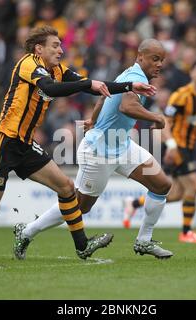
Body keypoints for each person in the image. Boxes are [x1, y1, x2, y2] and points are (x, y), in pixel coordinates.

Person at [0, 26, 156, 260]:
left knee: (66, 187)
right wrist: (89, 83)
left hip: (24, 143)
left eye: (61, 45)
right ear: (38, 48)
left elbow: (92, 86)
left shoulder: (56, 69)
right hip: (3, 140)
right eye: (55, 45)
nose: (61, 49)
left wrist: (130, 85)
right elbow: (52, 88)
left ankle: (82, 245)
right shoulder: (28, 64)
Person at [13, 39, 174, 260]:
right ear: (140, 57)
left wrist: (93, 119)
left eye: (162, 60)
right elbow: (127, 106)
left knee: (162, 184)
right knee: (79, 207)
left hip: (122, 146)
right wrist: (156, 117)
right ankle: (28, 231)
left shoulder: (131, 75)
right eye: (155, 59)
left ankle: (144, 241)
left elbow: (103, 96)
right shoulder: (135, 77)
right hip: (98, 152)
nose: (159, 64)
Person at [123, 59, 196, 244]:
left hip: (189, 147)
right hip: (177, 146)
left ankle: (134, 203)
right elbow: (165, 122)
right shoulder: (180, 96)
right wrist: (171, 146)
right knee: (193, 186)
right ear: (192, 74)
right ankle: (187, 232)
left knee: (177, 194)